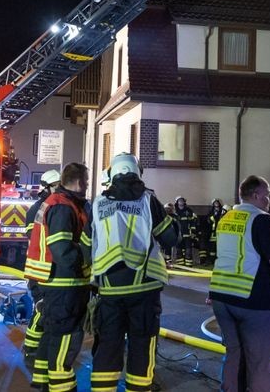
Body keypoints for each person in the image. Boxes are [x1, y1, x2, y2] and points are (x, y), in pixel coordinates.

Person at [89, 154, 178, 392]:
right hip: (144, 287)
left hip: (109, 288)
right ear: (137, 173)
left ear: (112, 174)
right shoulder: (149, 201)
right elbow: (170, 238)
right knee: (141, 345)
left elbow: (88, 243)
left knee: (108, 345)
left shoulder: (98, 204)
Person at [209, 175, 270, 392]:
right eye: (267, 195)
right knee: (260, 364)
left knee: (234, 355)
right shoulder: (263, 221)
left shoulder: (226, 218)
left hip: (222, 299)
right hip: (256, 302)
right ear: (256, 195)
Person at [24, 162, 91, 392]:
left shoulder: (57, 202)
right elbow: (62, 250)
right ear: (80, 181)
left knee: (52, 334)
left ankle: (42, 379)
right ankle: (61, 388)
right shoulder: (63, 206)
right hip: (65, 284)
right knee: (66, 338)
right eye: (87, 181)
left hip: (53, 282)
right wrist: (85, 261)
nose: (88, 185)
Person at [21, 168, 61, 390]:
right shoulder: (38, 209)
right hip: (41, 267)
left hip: (46, 267)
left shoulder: (53, 205)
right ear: (47, 187)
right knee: (41, 310)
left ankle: (33, 347)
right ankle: (31, 347)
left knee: (43, 311)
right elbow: (34, 237)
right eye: (55, 185)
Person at [173, 196, 199, 265]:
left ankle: (188, 264)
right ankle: (180, 264)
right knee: (179, 250)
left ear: (184, 202)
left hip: (187, 234)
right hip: (178, 235)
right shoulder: (174, 211)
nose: (181, 202)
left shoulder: (189, 211)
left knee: (188, 250)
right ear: (177, 202)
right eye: (179, 201)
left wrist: (193, 232)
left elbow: (192, 222)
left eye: (182, 200)